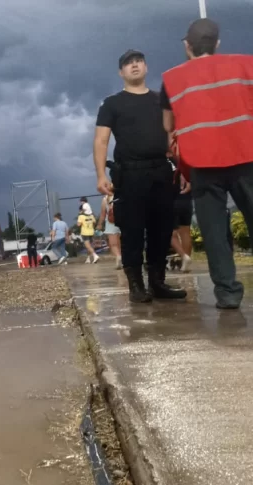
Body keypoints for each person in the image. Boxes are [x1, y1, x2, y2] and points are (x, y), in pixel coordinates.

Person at [161, 18, 253, 309]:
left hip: (202, 163)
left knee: (213, 233)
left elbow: (168, 124)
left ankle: (228, 294)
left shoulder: (172, 79)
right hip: (246, 156)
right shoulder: (245, 65)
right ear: (217, 44)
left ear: (187, 46)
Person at [94, 49, 187, 303]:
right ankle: (135, 285)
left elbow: (172, 137)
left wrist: (184, 169)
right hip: (130, 174)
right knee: (132, 231)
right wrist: (101, 173)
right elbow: (101, 140)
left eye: (138, 62)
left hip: (161, 171)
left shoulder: (160, 100)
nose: (134, 66)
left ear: (146, 68)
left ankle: (157, 283)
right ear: (121, 72)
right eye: (128, 63)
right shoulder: (112, 103)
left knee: (162, 229)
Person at [169, 172, 193, 272]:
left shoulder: (166, 165)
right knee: (185, 232)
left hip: (172, 202)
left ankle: (184, 257)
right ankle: (185, 262)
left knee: (170, 233)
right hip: (187, 202)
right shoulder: (185, 166)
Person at [98, 174, 122, 269]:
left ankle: (118, 256)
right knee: (121, 243)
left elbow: (103, 214)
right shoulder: (121, 196)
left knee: (113, 244)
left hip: (111, 223)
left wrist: (99, 224)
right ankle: (124, 260)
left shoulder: (105, 199)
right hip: (122, 221)